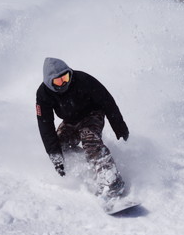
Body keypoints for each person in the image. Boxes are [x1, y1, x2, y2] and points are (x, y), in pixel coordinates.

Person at [36, 57, 129, 198]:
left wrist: (119, 126)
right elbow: (45, 126)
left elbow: (107, 101)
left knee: (89, 140)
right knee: (61, 147)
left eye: (65, 78)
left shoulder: (83, 80)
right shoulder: (43, 94)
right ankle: (91, 165)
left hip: (92, 114)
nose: (63, 84)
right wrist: (56, 159)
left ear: (70, 73)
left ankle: (112, 183)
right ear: (49, 82)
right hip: (70, 121)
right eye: (58, 81)